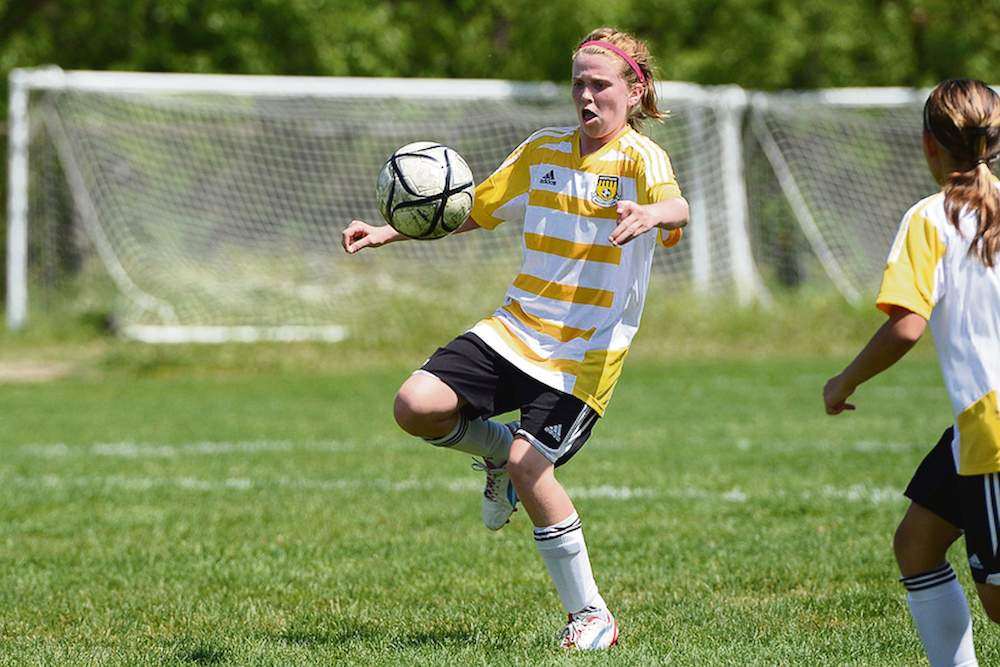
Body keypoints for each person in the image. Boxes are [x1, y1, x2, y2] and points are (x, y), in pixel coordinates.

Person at [342, 27, 688, 650]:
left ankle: (592, 617)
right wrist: (387, 230)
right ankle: (497, 453)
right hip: (515, 327)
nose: (585, 95)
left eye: (599, 84)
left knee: (534, 469)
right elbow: (470, 207)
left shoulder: (641, 158)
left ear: (634, 91)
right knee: (414, 406)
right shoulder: (542, 149)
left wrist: (651, 215)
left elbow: (677, 207)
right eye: (578, 83)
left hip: (584, 352)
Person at [824, 78, 1000, 667]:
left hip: (993, 429)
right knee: (916, 546)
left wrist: (843, 381)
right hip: (973, 428)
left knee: (999, 601)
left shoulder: (931, 217)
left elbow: (907, 325)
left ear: (928, 143)